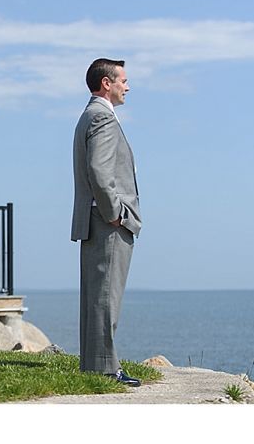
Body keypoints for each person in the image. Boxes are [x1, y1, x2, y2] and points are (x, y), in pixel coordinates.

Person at [71, 58, 142, 386]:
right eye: (123, 80)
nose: (127, 86)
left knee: (97, 294)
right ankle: (104, 368)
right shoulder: (102, 118)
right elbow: (100, 171)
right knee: (106, 295)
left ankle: (95, 364)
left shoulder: (90, 116)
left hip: (95, 218)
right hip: (108, 220)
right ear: (106, 84)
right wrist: (115, 212)